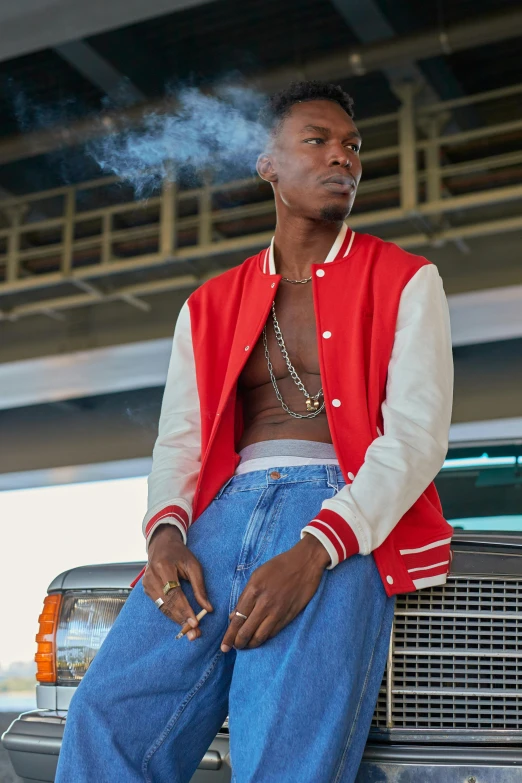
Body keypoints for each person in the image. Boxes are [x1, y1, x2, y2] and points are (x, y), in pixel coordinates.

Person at [56, 81, 453, 783]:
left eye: (353, 147)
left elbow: (417, 434)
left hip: (336, 517)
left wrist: (316, 549)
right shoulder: (208, 304)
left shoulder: (407, 279)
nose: (344, 158)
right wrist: (165, 535)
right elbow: (180, 438)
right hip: (217, 520)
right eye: (319, 141)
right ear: (268, 162)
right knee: (105, 717)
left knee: (285, 753)